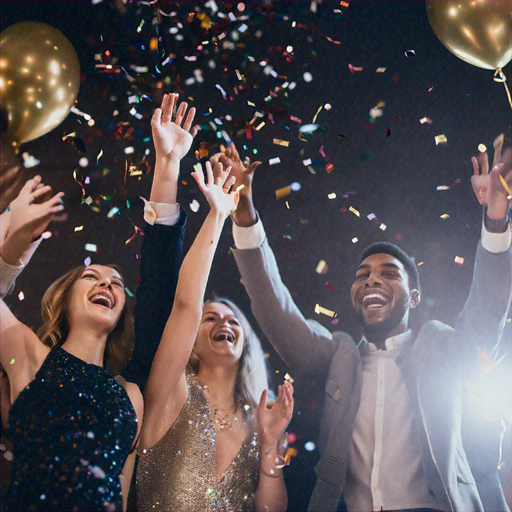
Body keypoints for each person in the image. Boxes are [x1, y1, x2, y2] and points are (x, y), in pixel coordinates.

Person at [214, 138, 512, 512]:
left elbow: (486, 313)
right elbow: (278, 312)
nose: (372, 280)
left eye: (389, 273)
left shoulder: (439, 345)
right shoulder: (337, 355)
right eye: (363, 275)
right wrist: (244, 213)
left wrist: (497, 220)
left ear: (414, 297)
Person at [132, 94, 294, 512]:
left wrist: (271, 444)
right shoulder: (170, 392)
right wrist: (217, 216)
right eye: (212, 318)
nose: (225, 322)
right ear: (192, 342)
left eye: (234, 319)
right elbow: (186, 302)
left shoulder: (261, 422)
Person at [0, 177, 144, 511]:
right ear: (64, 300)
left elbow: (119, 497)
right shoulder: (28, 353)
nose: (106, 283)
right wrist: (14, 219)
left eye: (117, 284)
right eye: (92, 277)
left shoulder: (130, 396)